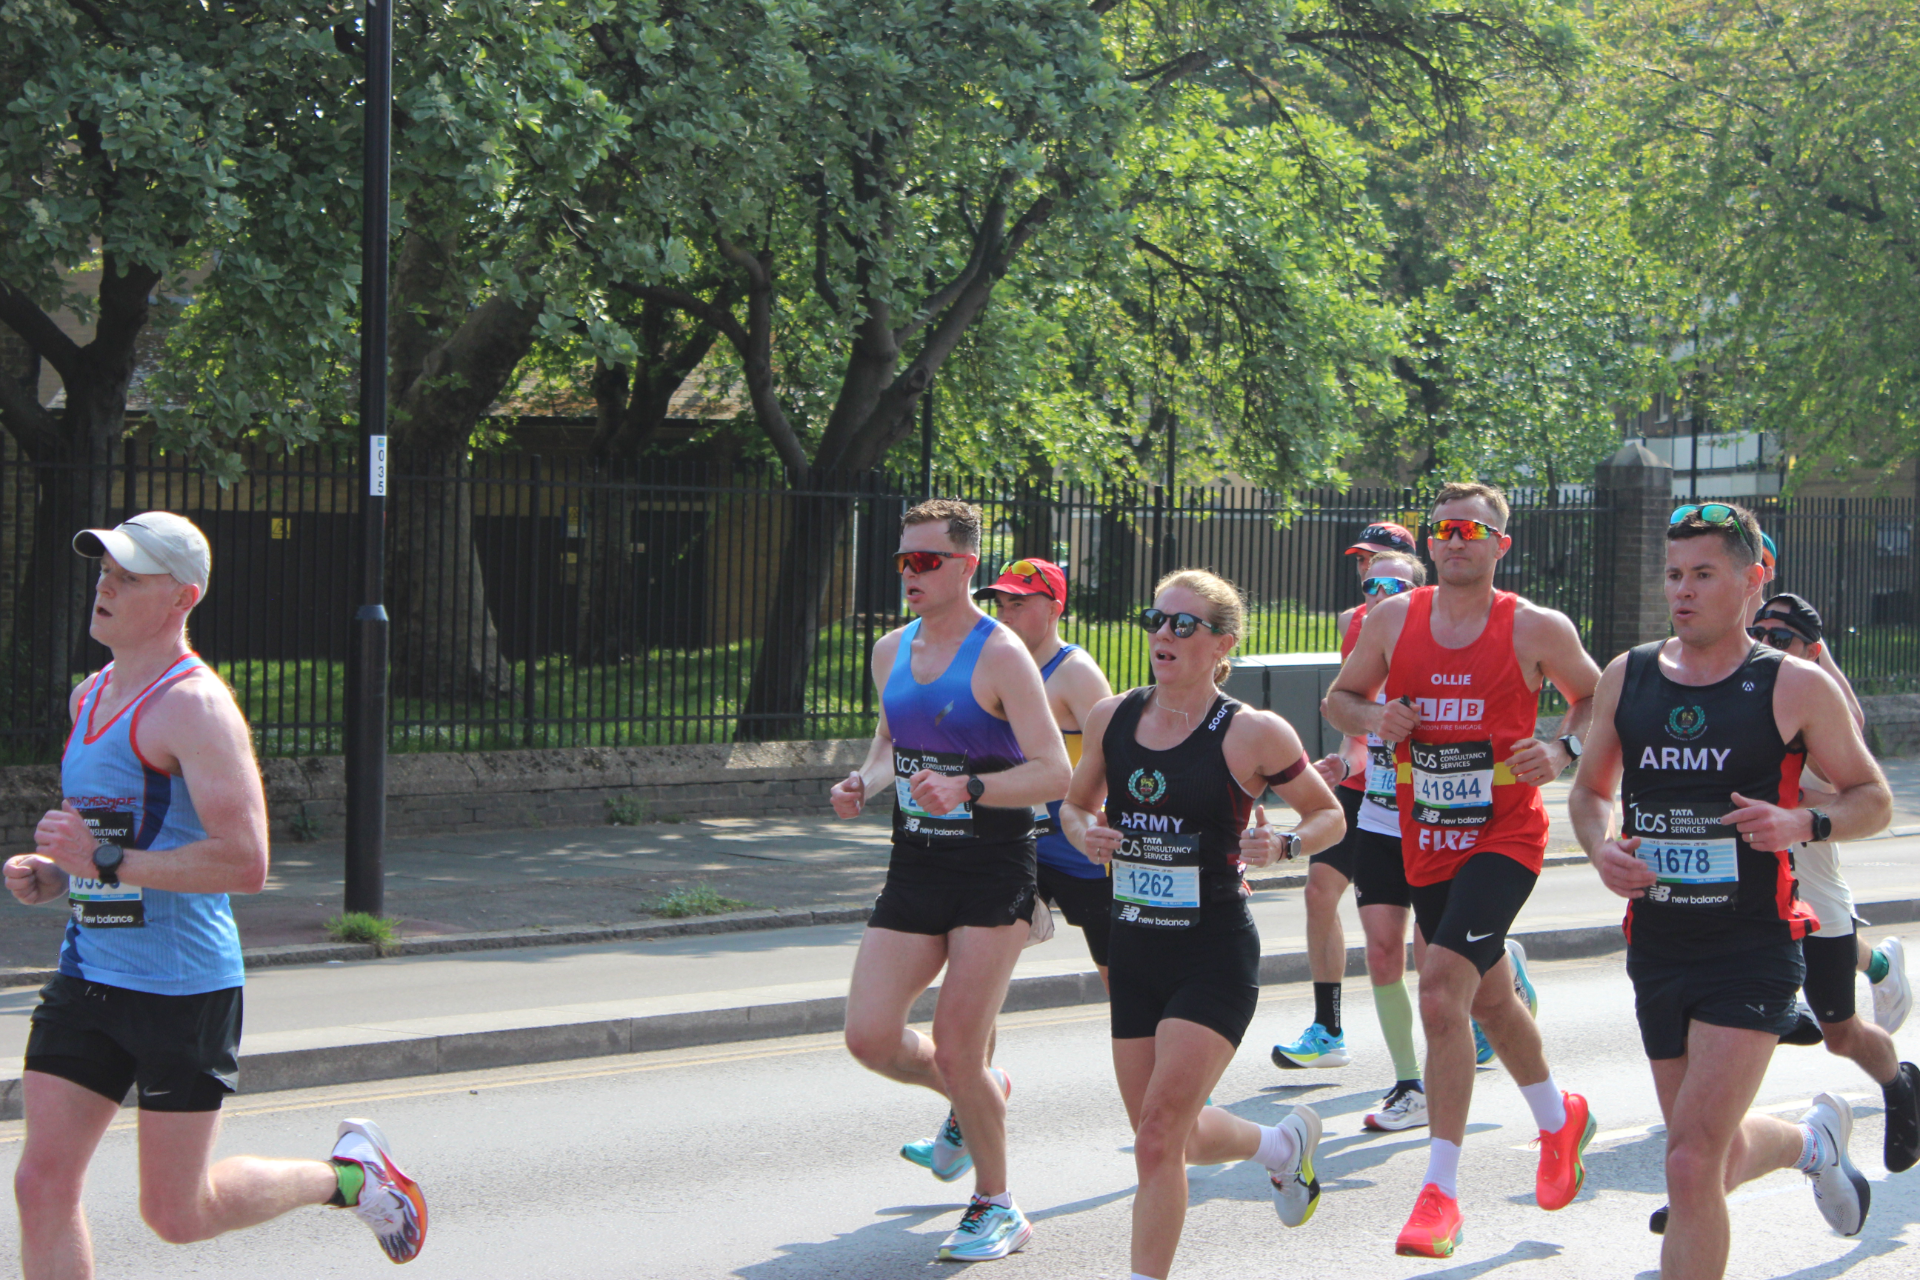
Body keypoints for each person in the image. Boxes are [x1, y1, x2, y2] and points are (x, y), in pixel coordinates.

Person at [5, 513, 427, 1279]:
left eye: (129, 576)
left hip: (180, 988)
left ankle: (350, 1177)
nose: (105, 584)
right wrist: (60, 873)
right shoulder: (88, 697)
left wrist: (99, 856)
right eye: (104, 569)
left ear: (181, 597)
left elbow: (245, 863)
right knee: (40, 1183)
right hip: (88, 976)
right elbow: (125, 845)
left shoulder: (195, 708)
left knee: (177, 1214)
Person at [1568, 502, 1893, 1279]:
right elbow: (1588, 793)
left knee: (1687, 1165)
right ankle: (1812, 1144)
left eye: (1704, 574)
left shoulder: (1793, 686)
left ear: (1753, 580)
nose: (1682, 592)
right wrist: (1599, 849)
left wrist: (1801, 824)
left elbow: (1872, 799)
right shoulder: (1630, 674)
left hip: (1753, 944)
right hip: (1658, 943)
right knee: (1705, 1151)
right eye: (1674, 575)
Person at [1326, 481, 1601, 1259]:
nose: (1454, 540)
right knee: (1489, 997)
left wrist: (1562, 749)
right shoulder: (1393, 619)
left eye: (1471, 531)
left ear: (1499, 546)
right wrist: (1374, 716)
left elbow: (1597, 696)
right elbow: (1339, 700)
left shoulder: (1533, 627)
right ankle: (1559, 1119)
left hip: (1506, 834)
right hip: (1426, 834)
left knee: (1441, 986)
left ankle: (1440, 1193)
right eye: (1442, 529)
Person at [1061, 569, 1347, 1280]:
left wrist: (1284, 844)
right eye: (1155, 620)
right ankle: (1280, 1148)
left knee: (1156, 1139)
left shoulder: (1251, 732)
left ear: (1221, 644)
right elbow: (1072, 806)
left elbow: (1330, 816)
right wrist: (1084, 833)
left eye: (1183, 625)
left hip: (1212, 954)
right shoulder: (1112, 717)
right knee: (1168, 1138)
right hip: (1134, 948)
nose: (1163, 634)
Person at [830, 499, 1072, 1263]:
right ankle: (977, 1096)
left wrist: (970, 788)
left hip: (992, 868)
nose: (911, 573)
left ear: (966, 565)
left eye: (927, 560)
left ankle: (997, 1206)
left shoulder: (1001, 654)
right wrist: (863, 784)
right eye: (904, 560)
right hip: (916, 863)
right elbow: (888, 747)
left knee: (959, 1049)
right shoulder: (889, 650)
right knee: (869, 1038)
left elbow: (1052, 771)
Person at [897, 556, 1114, 1177]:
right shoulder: (992, 662)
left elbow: (1117, 751)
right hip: (1018, 849)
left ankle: (1181, 1093)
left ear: (1055, 607)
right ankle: (968, 1113)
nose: (1007, 611)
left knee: (1121, 982)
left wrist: (1116, 826)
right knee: (976, 990)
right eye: (1001, 600)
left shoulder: (1074, 673)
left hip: (1082, 854)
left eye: (1021, 601)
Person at [1744, 593, 1917, 1175]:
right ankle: (1703, 1167)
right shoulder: (1737, 700)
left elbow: (1860, 795)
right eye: (1758, 633)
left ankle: (1899, 1084)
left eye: (1782, 639)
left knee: (1841, 1033)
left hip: (1816, 902)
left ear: (1810, 652)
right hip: (1751, 905)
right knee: (1728, 1028)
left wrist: (1789, 800)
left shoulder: (1817, 711)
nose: (1766, 645)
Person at [1273, 520, 1416, 1070]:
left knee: (1433, 926)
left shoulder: (1431, 622)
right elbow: (1356, 711)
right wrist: (1343, 758)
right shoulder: (1351, 624)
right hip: (1364, 782)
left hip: (1419, 784)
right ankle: (1329, 1028)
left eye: (1382, 569)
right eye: (1363, 569)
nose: (1370, 581)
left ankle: (1492, 989)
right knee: (1318, 893)